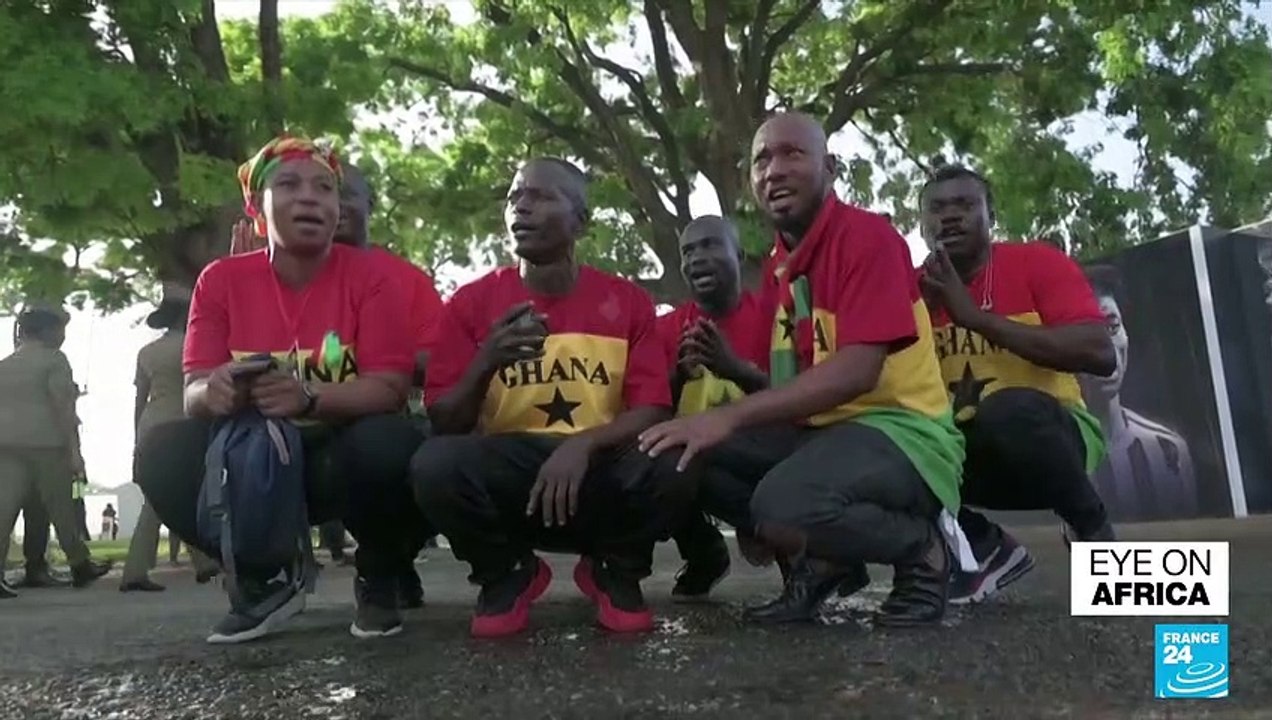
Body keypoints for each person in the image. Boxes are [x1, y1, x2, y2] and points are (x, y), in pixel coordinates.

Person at [639, 113, 966, 627]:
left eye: (793, 153)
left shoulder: (868, 237)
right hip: (826, 433)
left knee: (782, 503)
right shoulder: (778, 267)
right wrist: (732, 376)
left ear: (830, 168)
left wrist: (728, 416)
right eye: (762, 159)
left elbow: (857, 372)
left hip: (905, 434)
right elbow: (794, 391)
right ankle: (817, 567)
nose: (774, 169)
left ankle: (922, 551)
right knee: (684, 453)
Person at [133, 135, 427, 644]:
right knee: (161, 451)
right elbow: (193, 391)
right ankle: (263, 578)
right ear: (257, 208)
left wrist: (310, 399)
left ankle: (378, 574)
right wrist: (216, 391)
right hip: (255, 457)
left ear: (338, 208)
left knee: (395, 443)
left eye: (324, 188)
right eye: (288, 185)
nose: (310, 197)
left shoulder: (372, 278)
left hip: (338, 453)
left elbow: (390, 387)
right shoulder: (219, 280)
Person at [411, 157, 692, 638]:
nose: (521, 207)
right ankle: (506, 573)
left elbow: (653, 409)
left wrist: (581, 445)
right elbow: (445, 420)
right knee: (433, 462)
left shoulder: (627, 302)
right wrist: (486, 361)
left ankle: (616, 569)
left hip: (597, 472)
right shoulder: (471, 303)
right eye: (515, 196)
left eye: (541, 196)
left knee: (677, 455)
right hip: (514, 482)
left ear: (580, 221)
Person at [232, 160, 441, 605]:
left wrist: (378, 357)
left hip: (373, 422)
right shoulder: (254, 273)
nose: (329, 204)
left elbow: (436, 360)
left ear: (371, 204)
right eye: (295, 188)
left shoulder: (405, 279)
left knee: (407, 449)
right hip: (284, 431)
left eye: (342, 192)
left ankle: (387, 560)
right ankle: (262, 575)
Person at [917, 164, 1117, 605]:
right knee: (891, 450)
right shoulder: (910, 291)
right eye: (937, 208)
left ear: (992, 214)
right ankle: (986, 546)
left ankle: (1090, 526)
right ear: (921, 223)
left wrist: (975, 318)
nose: (950, 216)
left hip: (1049, 439)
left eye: (965, 205)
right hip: (961, 456)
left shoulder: (1036, 262)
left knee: (1010, 411)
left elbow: (1100, 354)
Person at [656, 215, 769, 601]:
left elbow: (801, 400)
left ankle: (794, 545)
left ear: (738, 255)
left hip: (766, 457)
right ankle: (704, 551)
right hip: (694, 461)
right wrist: (677, 378)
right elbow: (644, 411)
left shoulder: (775, 318)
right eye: (688, 251)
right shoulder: (665, 329)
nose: (697, 258)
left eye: (709, 246)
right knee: (651, 458)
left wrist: (736, 370)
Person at [0, 303, 112, 598]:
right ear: (48, 331)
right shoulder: (55, 360)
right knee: (62, 508)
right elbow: (62, 407)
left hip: (7, 446)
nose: (62, 336)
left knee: (4, 510)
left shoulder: (4, 365)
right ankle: (79, 563)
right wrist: (75, 452)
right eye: (60, 329)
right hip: (47, 445)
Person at [121, 285, 220, 592]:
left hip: (153, 420)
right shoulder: (197, 346)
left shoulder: (147, 352)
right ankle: (135, 571)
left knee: (173, 491)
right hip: (184, 419)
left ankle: (204, 562)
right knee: (164, 499)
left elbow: (140, 396)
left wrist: (137, 434)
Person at [1078, 265, 1197, 520]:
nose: (1106, 350)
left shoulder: (1169, 451)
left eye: (1112, 327)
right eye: (1086, 333)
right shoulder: (1047, 457)